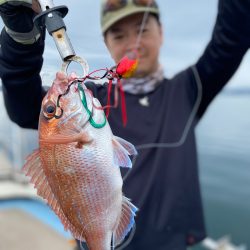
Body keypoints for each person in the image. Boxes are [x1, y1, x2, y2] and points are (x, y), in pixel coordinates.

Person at [0, 0, 249, 249]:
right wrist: (22, 41)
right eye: (119, 35)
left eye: (142, 28)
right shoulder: (91, 99)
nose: (133, 43)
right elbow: (24, 106)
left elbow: (232, 39)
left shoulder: (189, 89)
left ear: (161, 32)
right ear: (107, 45)